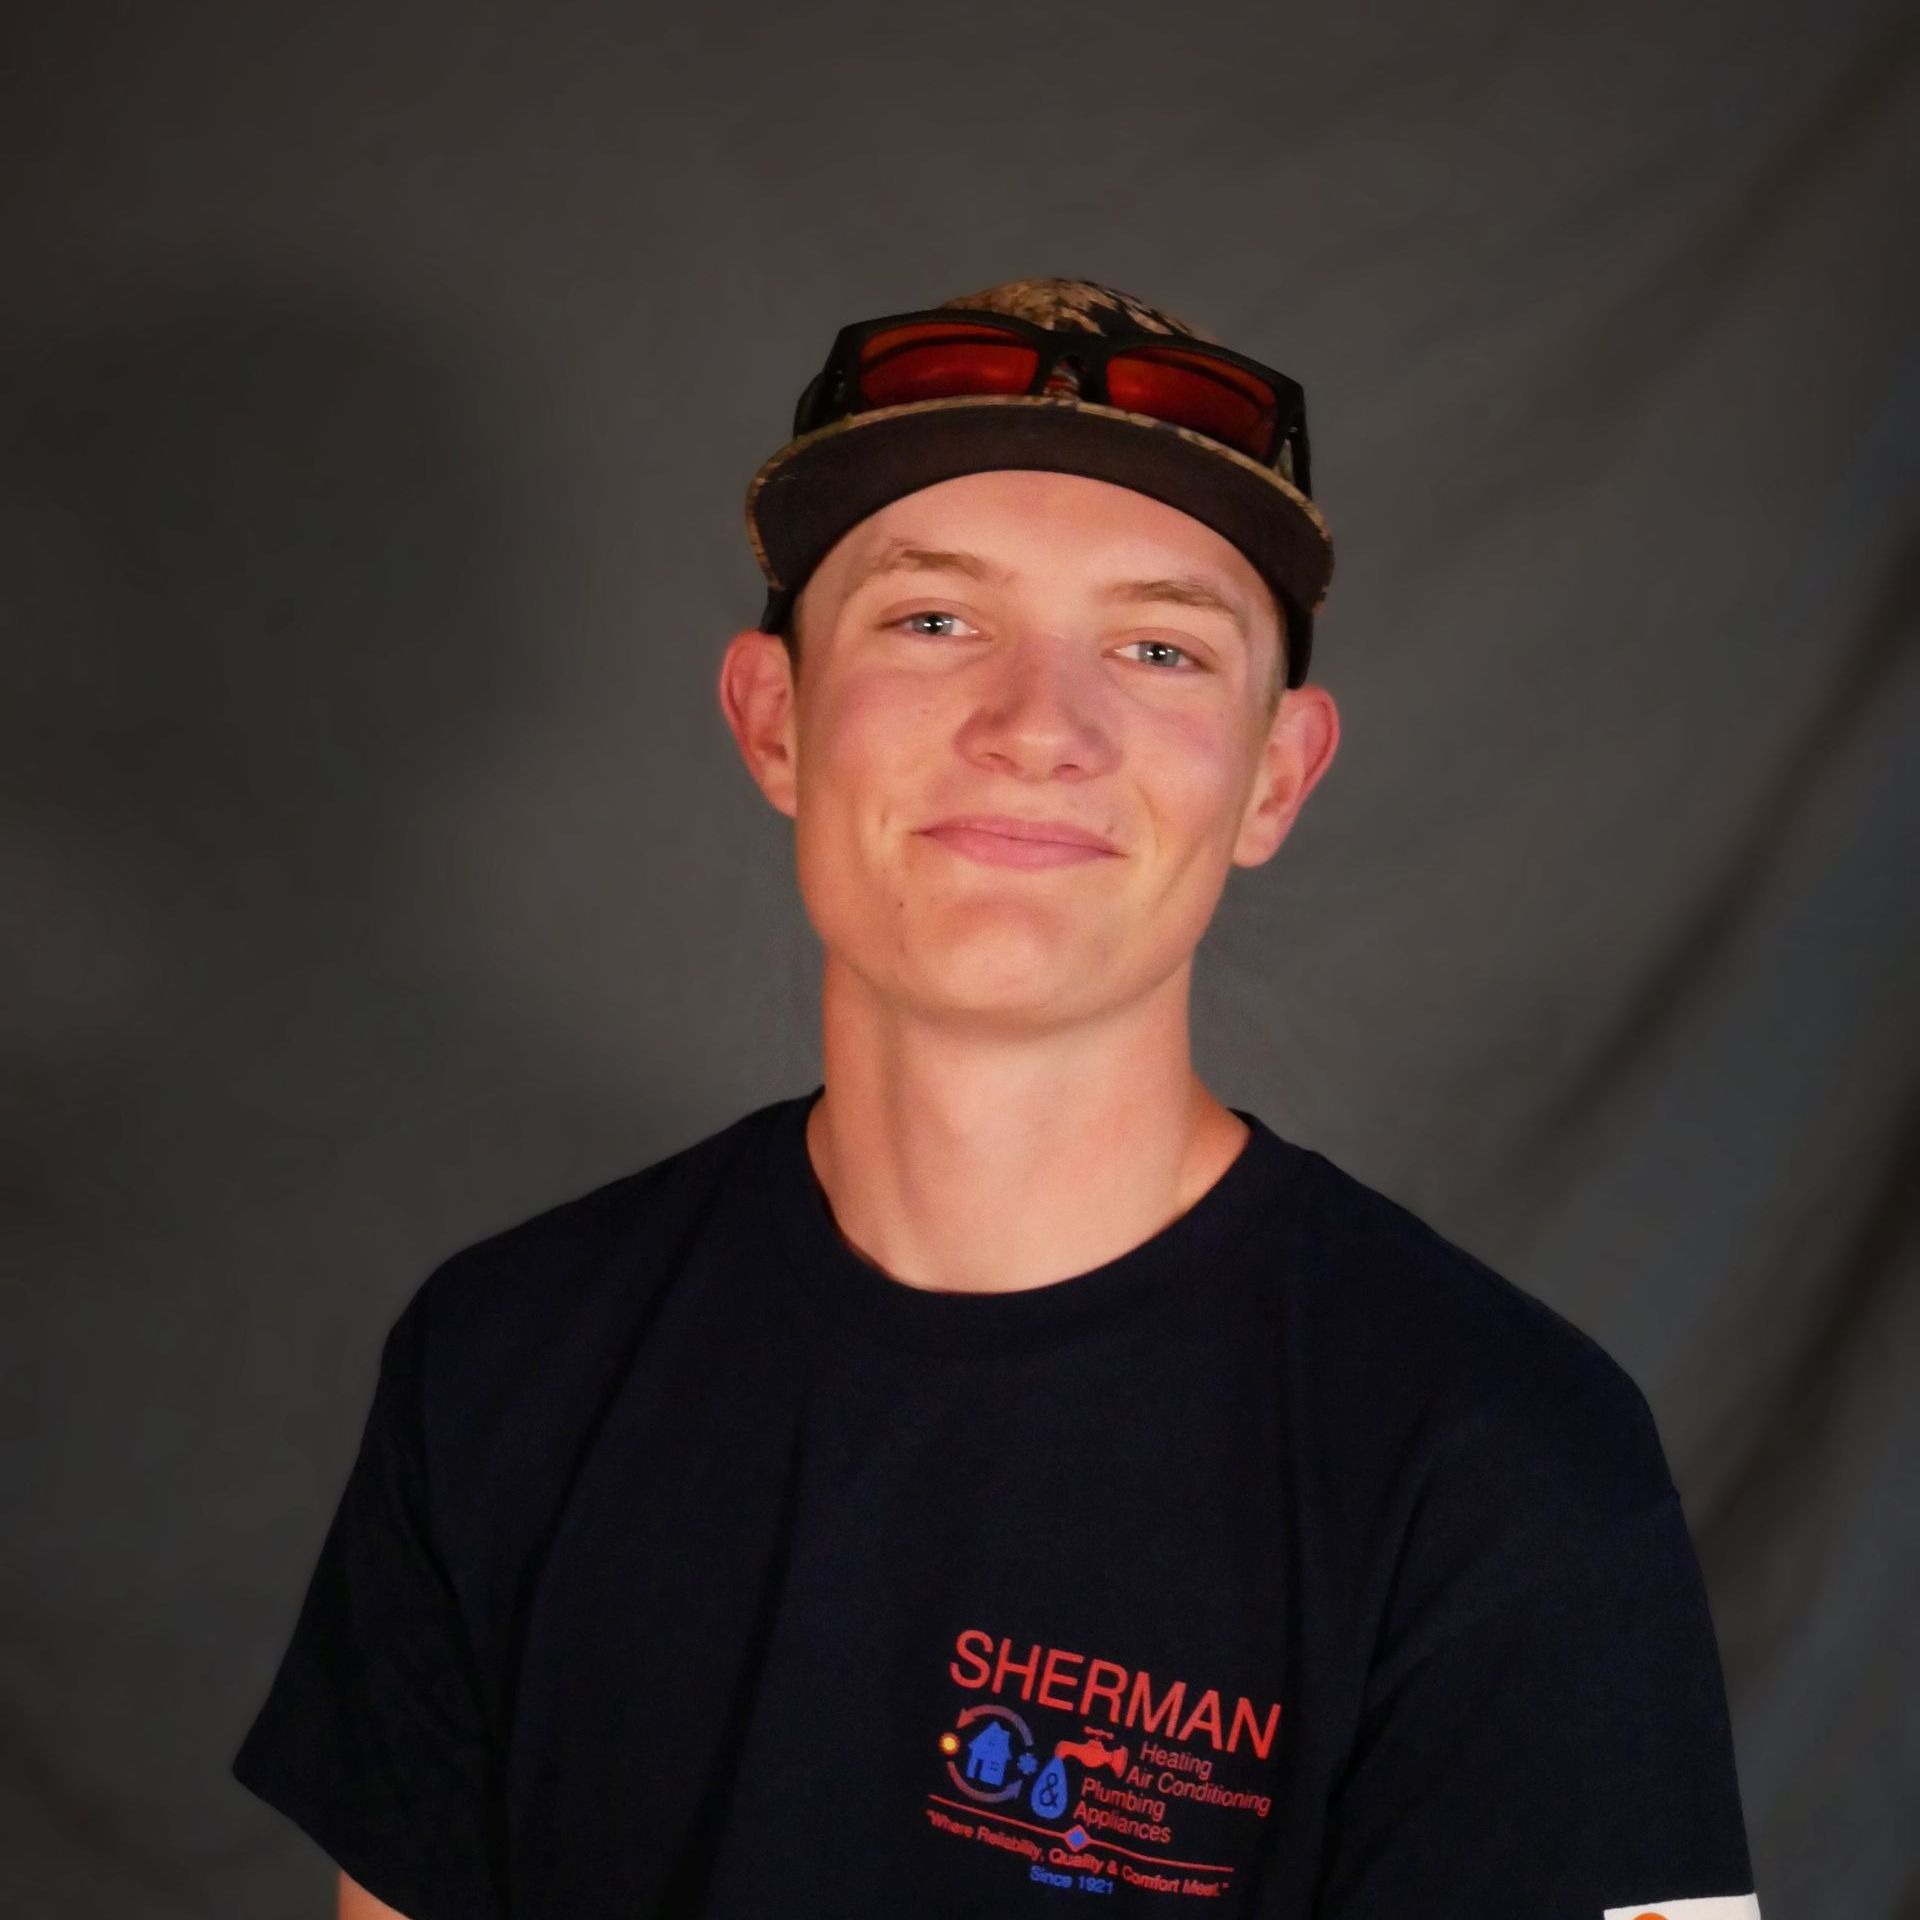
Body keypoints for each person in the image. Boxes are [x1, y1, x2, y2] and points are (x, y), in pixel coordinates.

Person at [232, 277, 1763, 1919]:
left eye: (1160, 646)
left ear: (1274, 777)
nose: (1040, 727)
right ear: (776, 721)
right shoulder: (502, 1363)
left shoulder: (1504, 1465)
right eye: (935, 621)